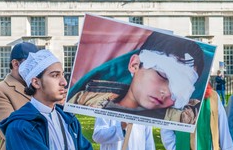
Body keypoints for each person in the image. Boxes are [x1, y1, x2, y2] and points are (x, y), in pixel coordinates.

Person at [68, 32, 205, 124]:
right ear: (135, 64)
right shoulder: (86, 99)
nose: (167, 92)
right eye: (162, 75)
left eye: (180, 88)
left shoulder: (179, 119)